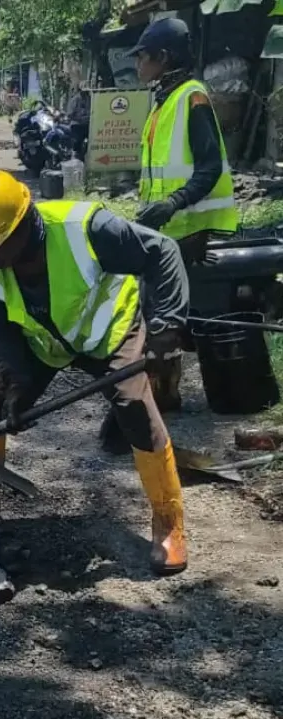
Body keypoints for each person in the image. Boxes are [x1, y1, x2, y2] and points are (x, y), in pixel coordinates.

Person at [0, 170, 190, 576]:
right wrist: (18, 383)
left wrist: (166, 328)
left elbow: (162, 252)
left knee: (134, 408)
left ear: (22, 227)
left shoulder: (88, 230)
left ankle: (168, 524)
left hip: (107, 331)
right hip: (43, 343)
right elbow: (1, 332)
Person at [98, 16, 238, 449]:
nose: (137, 64)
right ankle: (165, 394)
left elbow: (209, 167)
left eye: (142, 56)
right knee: (159, 313)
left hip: (186, 229)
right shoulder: (166, 99)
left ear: (164, 57)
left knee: (160, 318)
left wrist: (173, 203)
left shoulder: (191, 98)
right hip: (166, 229)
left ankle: (151, 408)